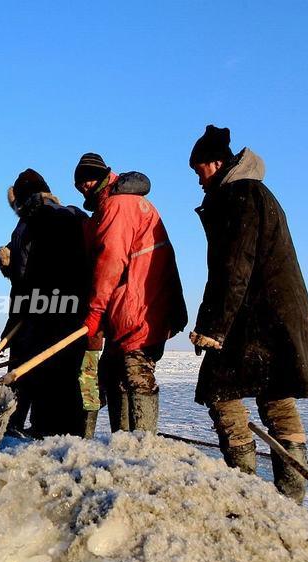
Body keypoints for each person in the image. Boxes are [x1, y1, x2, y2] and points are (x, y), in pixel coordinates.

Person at [188, 125, 308, 503]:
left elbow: (234, 266)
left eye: (198, 169)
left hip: (252, 320)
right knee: (276, 395)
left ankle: (246, 492)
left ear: (215, 163)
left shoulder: (239, 195)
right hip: (274, 319)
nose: (198, 179)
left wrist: (213, 327)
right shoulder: (256, 193)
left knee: (220, 393)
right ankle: (290, 500)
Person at [75, 154, 187, 434]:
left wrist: (96, 310)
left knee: (136, 372)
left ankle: (142, 448)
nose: (84, 186)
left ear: (103, 175)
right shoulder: (103, 212)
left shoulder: (118, 206)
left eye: (89, 177)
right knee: (114, 375)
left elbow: (110, 260)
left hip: (141, 305)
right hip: (131, 304)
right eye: (79, 182)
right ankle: (123, 444)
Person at [0, 169, 96, 437]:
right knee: (55, 382)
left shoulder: (42, 220)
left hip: (51, 317)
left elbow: (34, 277)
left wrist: (24, 315)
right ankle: (48, 436)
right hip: (60, 314)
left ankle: (52, 440)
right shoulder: (56, 218)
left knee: (53, 382)